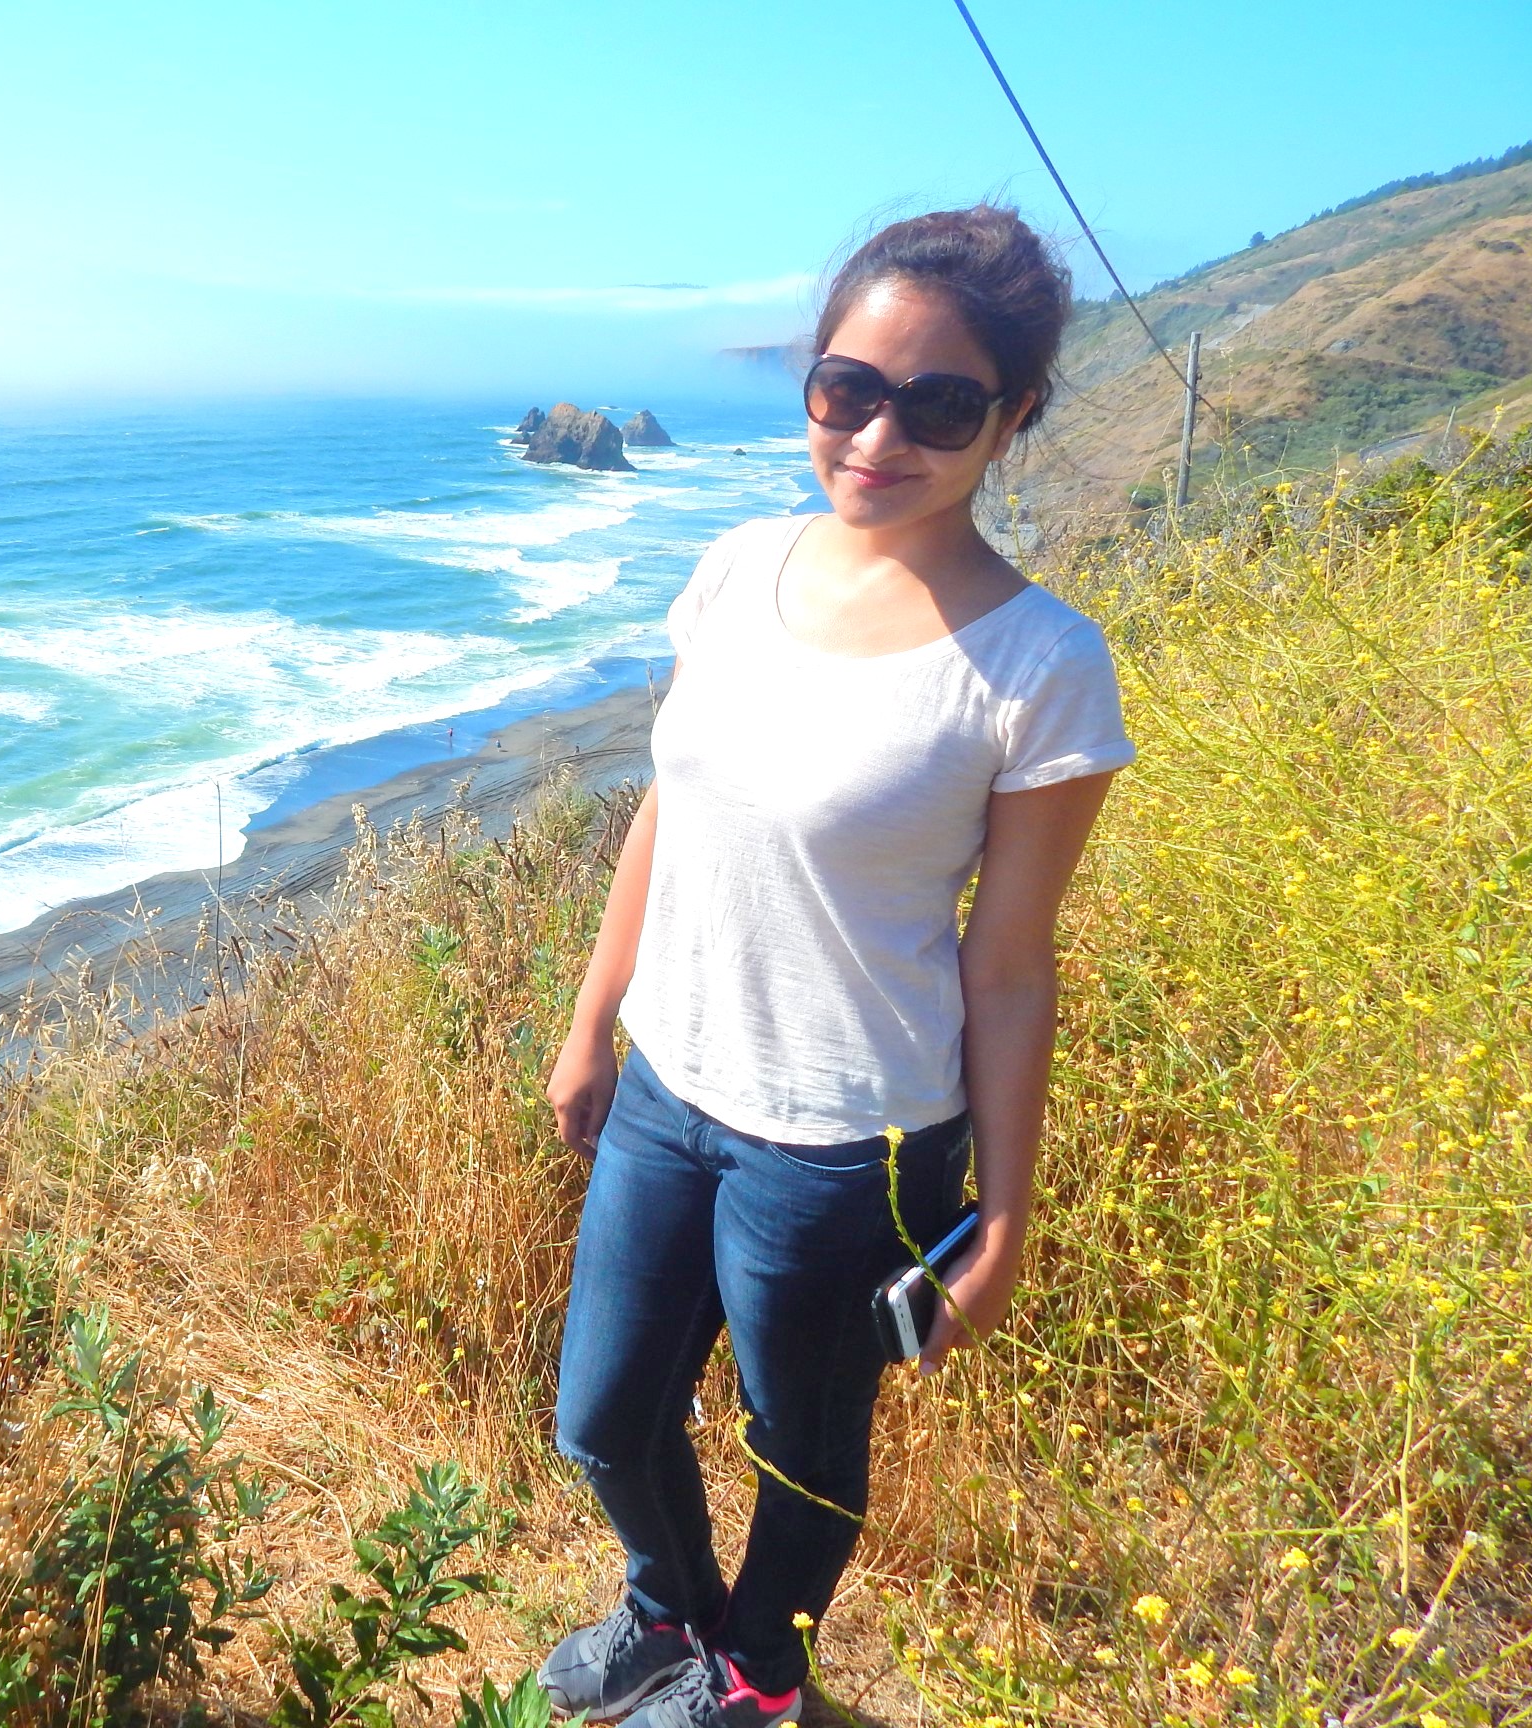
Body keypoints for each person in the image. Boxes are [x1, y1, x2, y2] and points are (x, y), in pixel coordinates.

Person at [538, 205, 1136, 1728]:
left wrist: (1003, 1219)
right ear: (811, 383)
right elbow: (669, 809)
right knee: (602, 1416)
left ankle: (755, 1678)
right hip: (672, 1087)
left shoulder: (1040, 666)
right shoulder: (738, 569)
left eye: (940, 404)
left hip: (848, 1143)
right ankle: (670, 1615)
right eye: (847, 388)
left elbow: (1009, 967)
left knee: (798, 1447)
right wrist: (592, 1021)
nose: (880, 433)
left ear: (1015, 416)